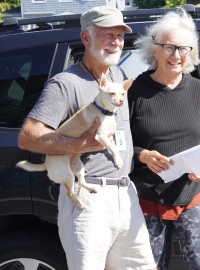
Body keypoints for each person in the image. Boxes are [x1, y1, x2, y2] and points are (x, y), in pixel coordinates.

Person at [17, 6, 157, 270]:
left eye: (120, 35)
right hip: (88, 197)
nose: (116, 42)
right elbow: (28, 137)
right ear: (86, 38)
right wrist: (78, 144)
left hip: (125, 193)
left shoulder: (117, 76)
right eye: (107, 35)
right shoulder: (65, 84)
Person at [128, 8, 200, 270]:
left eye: (183, 48)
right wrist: (142, 155)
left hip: (189, 197)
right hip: (146, 197)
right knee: (151, 267)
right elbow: (117, 145)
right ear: (154, 49)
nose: (176, 55)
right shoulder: (134, 92)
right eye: (168, 47)